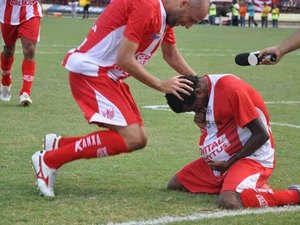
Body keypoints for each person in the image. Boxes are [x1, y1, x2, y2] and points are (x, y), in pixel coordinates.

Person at [30, 0, 210, 197]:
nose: (188, 26)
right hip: (92, 71)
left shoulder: (164, 17)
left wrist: (205, 85)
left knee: (139, 139)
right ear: (183, 3)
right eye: (191, 19)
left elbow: (171, 55)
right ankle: (49, 160)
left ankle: (59, 145)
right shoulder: (147, 7)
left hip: (109, 76)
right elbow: (124, 59)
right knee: (132, 137)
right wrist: (160, 84)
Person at [165, 74, 300, 209]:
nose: (196, 111)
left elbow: (261, 135)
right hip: (224, 161)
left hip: (252, 157)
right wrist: (204, 126)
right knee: (176, 185)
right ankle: (240, 185)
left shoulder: (231, 89)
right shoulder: (206, 93)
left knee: (229, 201)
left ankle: (295, 195)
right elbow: (219, 134)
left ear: (198, 92)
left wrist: (229, 163)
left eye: (193, 108)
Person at [0, 0, 42, 106]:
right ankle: (5, 80)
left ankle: (25, 92)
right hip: (7, 13)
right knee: (8, 51)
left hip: (30, 10)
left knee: (30, 50)